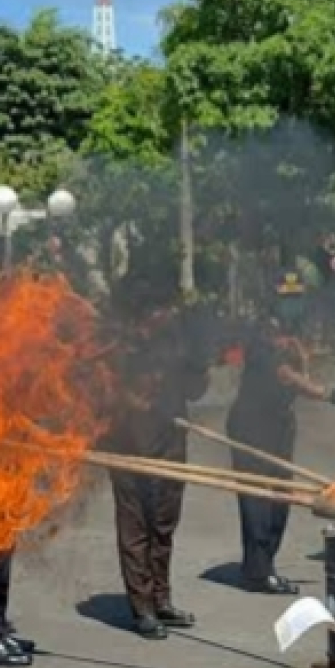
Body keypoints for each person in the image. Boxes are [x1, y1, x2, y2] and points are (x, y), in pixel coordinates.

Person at [101, 271, 212, 640]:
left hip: (170, 443)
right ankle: (143, 608)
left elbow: (194, 390)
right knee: (136, 529)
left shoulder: (175, 342)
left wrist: (201, 363)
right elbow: (106, 392)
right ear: (147, 312)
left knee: (164, 524)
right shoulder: (120, 345)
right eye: (164, 308)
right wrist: (138, 402)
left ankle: (162, 599)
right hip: (129, 447)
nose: (170, 315)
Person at [227, 305, 335, 594]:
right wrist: (330, 394)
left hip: (279, 427)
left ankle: (266, 564)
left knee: (281, 499)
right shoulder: (260, 349)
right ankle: (257, 572)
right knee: (258, 499)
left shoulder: (286, 348)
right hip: (251, 427)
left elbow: (302, 371)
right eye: (281, 334)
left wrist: (300, 350)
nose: (283, 339)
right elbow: (290, 378)